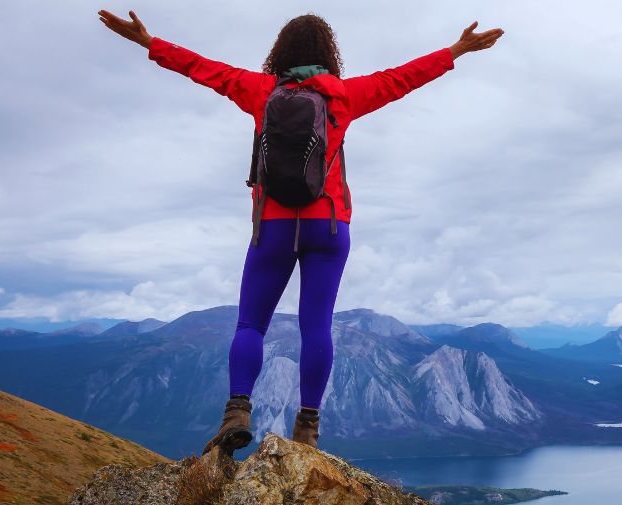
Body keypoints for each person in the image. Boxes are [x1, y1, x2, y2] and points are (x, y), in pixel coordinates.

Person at [98, 10, 503, 455]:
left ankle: (237, 410)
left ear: (280, 52)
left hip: (272, 225)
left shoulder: (258, 91)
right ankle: (307, 427)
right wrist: (456, 51)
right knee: (317, 327)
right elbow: (402, 78)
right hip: (327, 226)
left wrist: (149, 42)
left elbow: (201, 67)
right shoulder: (344, 96)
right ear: (329, 54)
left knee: (251, 323)